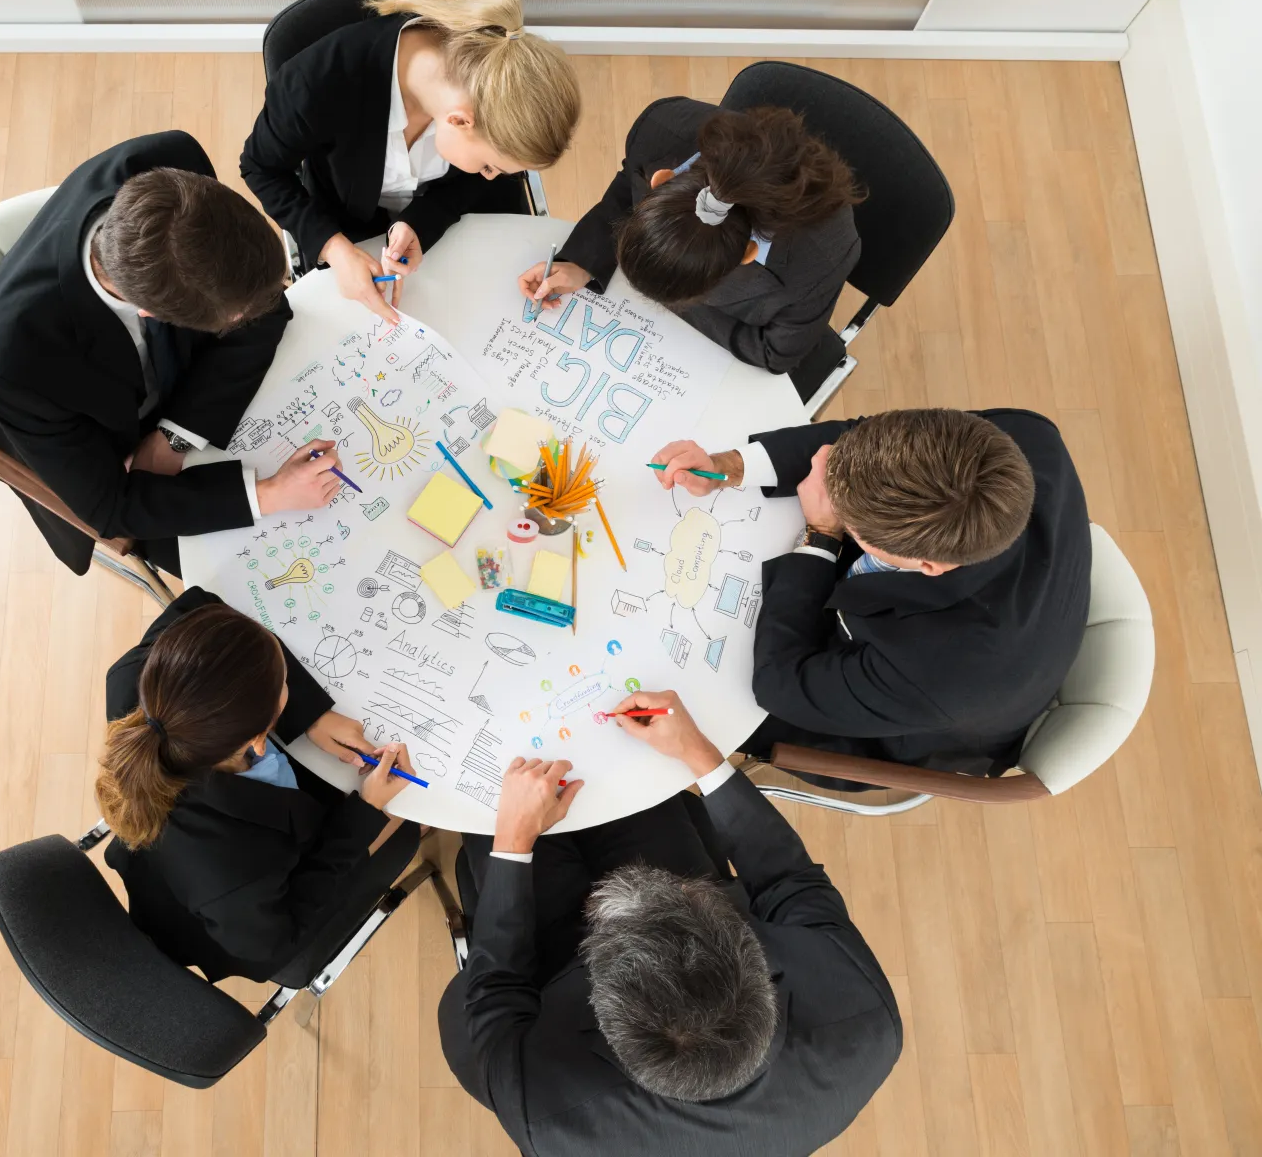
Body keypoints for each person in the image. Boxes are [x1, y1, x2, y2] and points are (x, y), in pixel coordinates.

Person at [438, 689, 901, 1156]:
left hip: (549, 965)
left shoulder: (550, 1118)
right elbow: (789, 880)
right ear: (758, 970)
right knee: (626, 777)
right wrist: (698, 752)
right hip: (683, 885)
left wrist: (513, 840)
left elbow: (496, 986)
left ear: (607, 1020)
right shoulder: (861, 1016)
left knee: (491, 787)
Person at [0, 131, 346, 579]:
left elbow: (268, 309)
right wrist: (270, 495)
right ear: (151, 314)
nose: (252, 313)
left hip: (181, 390)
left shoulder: (168, 161)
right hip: (106, 453)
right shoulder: (12, 361)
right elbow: (110, 507)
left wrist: (173, 439)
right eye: (235, 315)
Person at [651, 407, 1091, 778]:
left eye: (848, 518)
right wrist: (729, 467)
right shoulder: (1025, 438)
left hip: (889, 718)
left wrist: (821, 535)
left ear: (927, 564)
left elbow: (779, 684)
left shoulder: (934, 675)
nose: (821, 469)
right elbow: (858, 441)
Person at [97, 588, 421, 982]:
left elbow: (201, 605)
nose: (290, 682)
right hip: (244, 921)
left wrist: (312, 715)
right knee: (404, 818)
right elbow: (274, 942)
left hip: (196, 861)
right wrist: (367, 809)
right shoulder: (237, 869)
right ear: (255, 737)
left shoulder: (135, 680)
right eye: (285, 683)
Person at [241, 0, 581, 325]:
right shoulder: (316, 82)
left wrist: (420, 221)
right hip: (345, 213)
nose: (491, 176)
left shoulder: (484, 85)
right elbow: (260, 168)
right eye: (489, 166)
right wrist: (335, 250)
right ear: (459, 120)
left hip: (448, 217)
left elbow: (472, 183)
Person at [521, 98, 862, 379]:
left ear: (747, 253)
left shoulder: (825, 256)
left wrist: (670, 297)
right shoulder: (659, 131)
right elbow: (628, 187)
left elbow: (775, 353)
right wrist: (583, 261)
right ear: (660, 180)